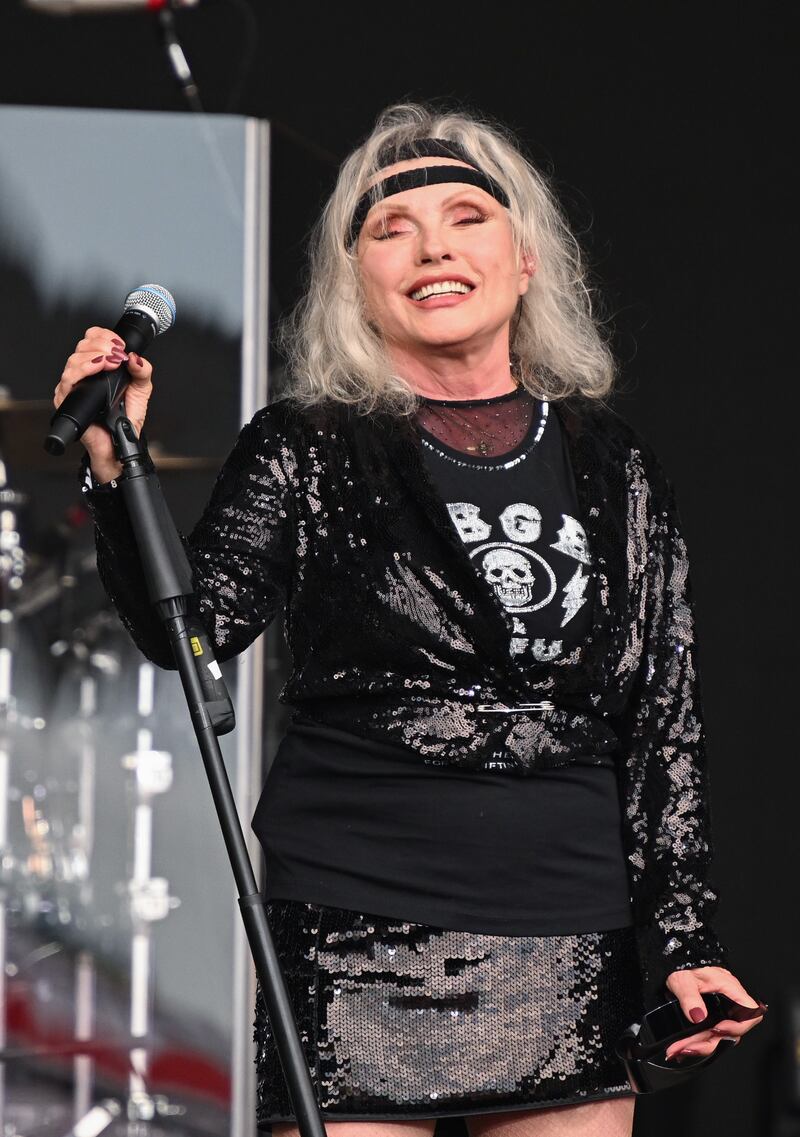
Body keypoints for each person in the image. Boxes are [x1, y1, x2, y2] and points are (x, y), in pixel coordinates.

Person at [55, 103, 763, 1137]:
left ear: (523, 259)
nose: (431, 247)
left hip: (565, 930)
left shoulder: (613, 460)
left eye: (464, 218)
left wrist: (684, 935)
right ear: (358, 281)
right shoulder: (301, 447)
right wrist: (118, 476)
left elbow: (661, 715)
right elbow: (188, 632)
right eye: (392, 229)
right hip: (353, 929)